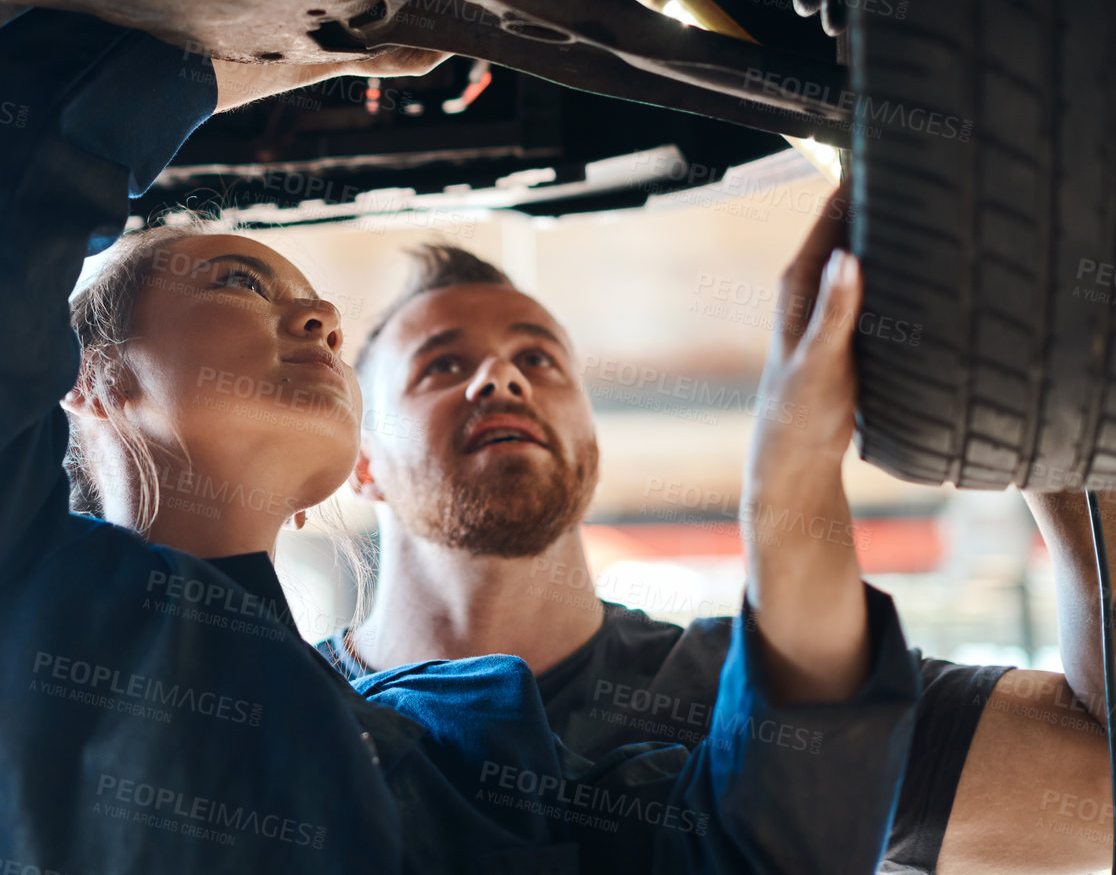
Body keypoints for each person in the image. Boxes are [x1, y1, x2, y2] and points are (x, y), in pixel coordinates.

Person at [0, 6, 919, 874]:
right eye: (242, 281)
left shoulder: (425, 756)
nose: (318, 319)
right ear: (88, 382)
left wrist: (787, 464)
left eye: (319, 314)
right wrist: (253, 45)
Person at [321, 223, 1116, 874]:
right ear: (363, 465)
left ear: (591, 441)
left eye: (539, 358)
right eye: (442, 364)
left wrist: (1043, 414)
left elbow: (1099, 794)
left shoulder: (763, 687)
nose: (500, 375)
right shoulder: (285, 701)